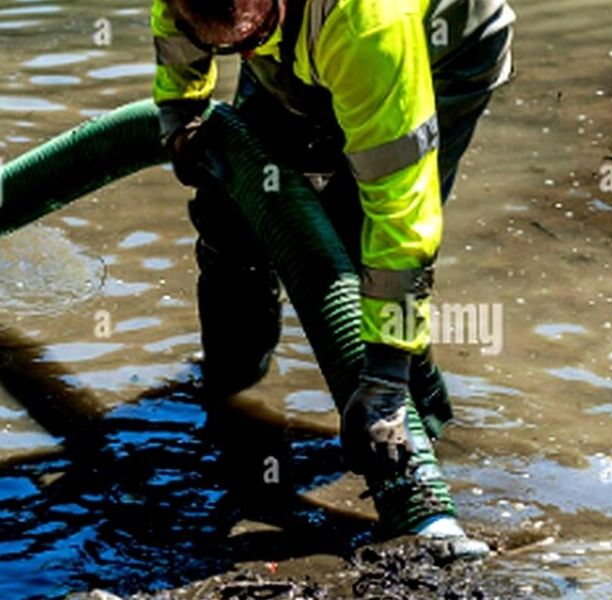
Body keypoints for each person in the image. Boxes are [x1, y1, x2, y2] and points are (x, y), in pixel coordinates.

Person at [151, 0, 514, 557]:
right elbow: (177, 28)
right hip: (299, 40)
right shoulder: (215, 14)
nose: (241, 58)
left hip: (444, 48)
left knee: (349, 250)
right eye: (228, 49)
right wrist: (181, 114)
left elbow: (400, 215)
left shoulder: (370, 24)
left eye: (246, 41)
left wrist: (386, 375)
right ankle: (231, 396)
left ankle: (417, 446)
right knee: (235, 205)